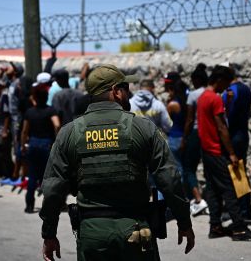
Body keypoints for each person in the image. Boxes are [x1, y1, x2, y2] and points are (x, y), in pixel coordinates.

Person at [39, 64, 195, 261]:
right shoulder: (143, 128)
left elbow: (53, 188)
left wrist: (49, 233)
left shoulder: (69, 133)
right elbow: (170, 179)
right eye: (126, 89)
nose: (129, 94)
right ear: (116, 92)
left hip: (92, 234)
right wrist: (184, 222)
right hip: (136, 231)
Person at [197, 65, 251, 241]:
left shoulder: (203, 97)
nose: (227, 87)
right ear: (219, 80)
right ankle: (239, 228)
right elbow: (222, 128)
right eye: (225, 83)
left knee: (213, 189)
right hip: (217, 151)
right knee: (230, 189)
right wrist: (232, 153)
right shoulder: (215, 98)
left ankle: (215, 226)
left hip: (206, 151)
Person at [21, 83, 60, 213]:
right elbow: (57, 124)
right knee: (48, 177)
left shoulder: (29, 112)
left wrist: (22, 145)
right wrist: (57, 140)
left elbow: (25, 131)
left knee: (32, 176)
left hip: (33, 144)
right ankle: (50, 204)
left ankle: (29, 205)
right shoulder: (50, 110)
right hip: (46, 145)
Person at [222, 65, 251, 220]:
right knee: (241, 171)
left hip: (233, 135)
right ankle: (245, 208)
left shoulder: (230, 92)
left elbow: (227, 116)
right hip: (243, 133)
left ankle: (241, 210)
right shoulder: (246, 89)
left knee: (235, 173)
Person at [181, 63, 208, 216]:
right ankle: (211, 201)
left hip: (196, 134)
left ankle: (198, 200)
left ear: (197, 80)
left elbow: (190, 119)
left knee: (188, 168)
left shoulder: (193, 95)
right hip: (210, 134)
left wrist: (184, 138)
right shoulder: (212, 93)